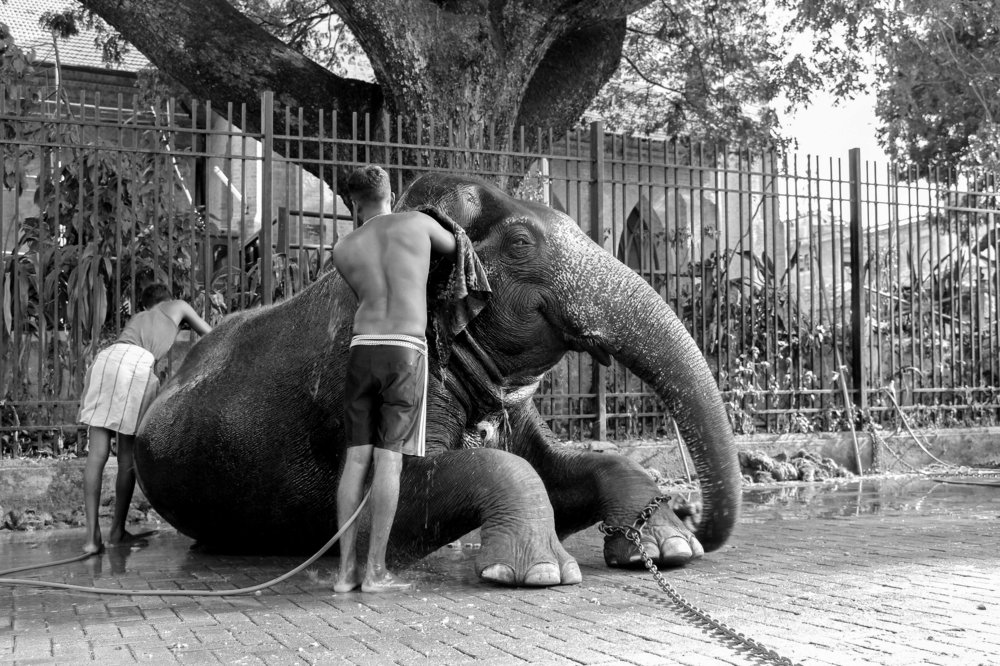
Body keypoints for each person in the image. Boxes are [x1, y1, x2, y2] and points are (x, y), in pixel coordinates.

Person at [332, 165, 457, 593]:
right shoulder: (418, 223)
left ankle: (346, 572)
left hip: (362, 348)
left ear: (354, 203)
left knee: (356, 460)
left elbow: (365, 289)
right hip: (404, 350)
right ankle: (375, 572)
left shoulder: (343, 248)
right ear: (392, 193)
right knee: (390, 459)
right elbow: (458, 246)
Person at [78, 283, 212, 554]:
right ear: (167, 300)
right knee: (126, 456)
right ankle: (116, 532)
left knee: (97, 454)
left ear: (143, 306)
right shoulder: (178, 306)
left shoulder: (138, 319)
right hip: (134, 365)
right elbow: (210, 334)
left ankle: (92, 539)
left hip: (105, 360)